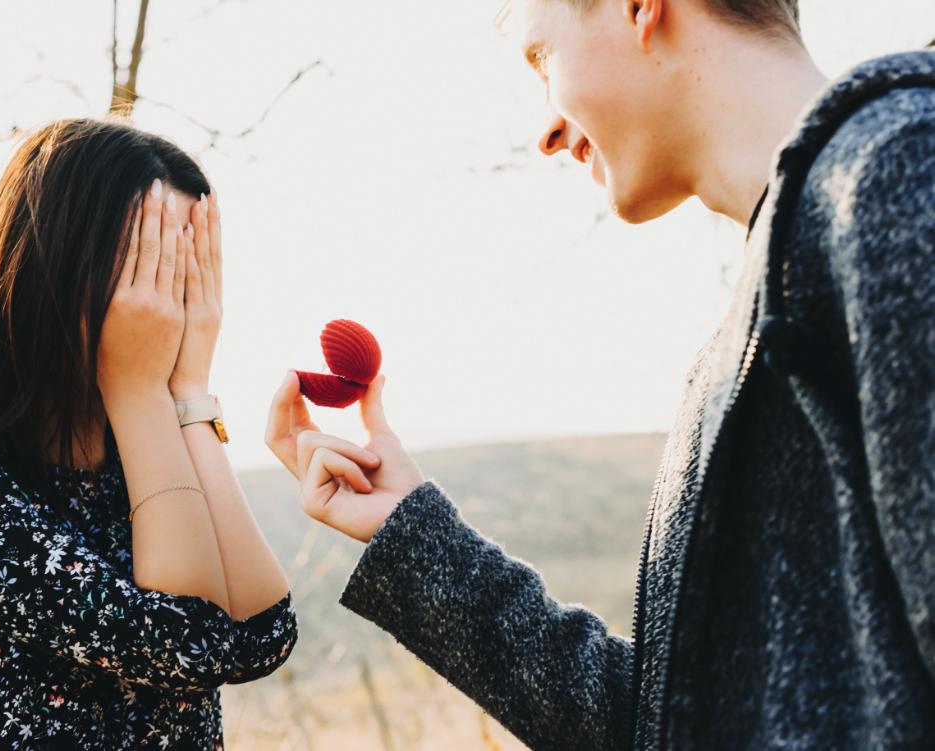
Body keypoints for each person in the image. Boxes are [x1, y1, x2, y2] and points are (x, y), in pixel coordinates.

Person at [265, 1, 934, 748]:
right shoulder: (733, 343)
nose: (545, 131)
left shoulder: (898, 175)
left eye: (542, 59)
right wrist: (409, 530)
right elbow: (666, 727)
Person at [0, 118, 297, 750]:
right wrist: (140, 391)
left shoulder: (143, 462)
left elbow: (264, 632)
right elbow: (190, 643)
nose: (174, 302)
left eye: (193, 270)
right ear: (59, 259)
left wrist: (188, 391)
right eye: (155, 264)